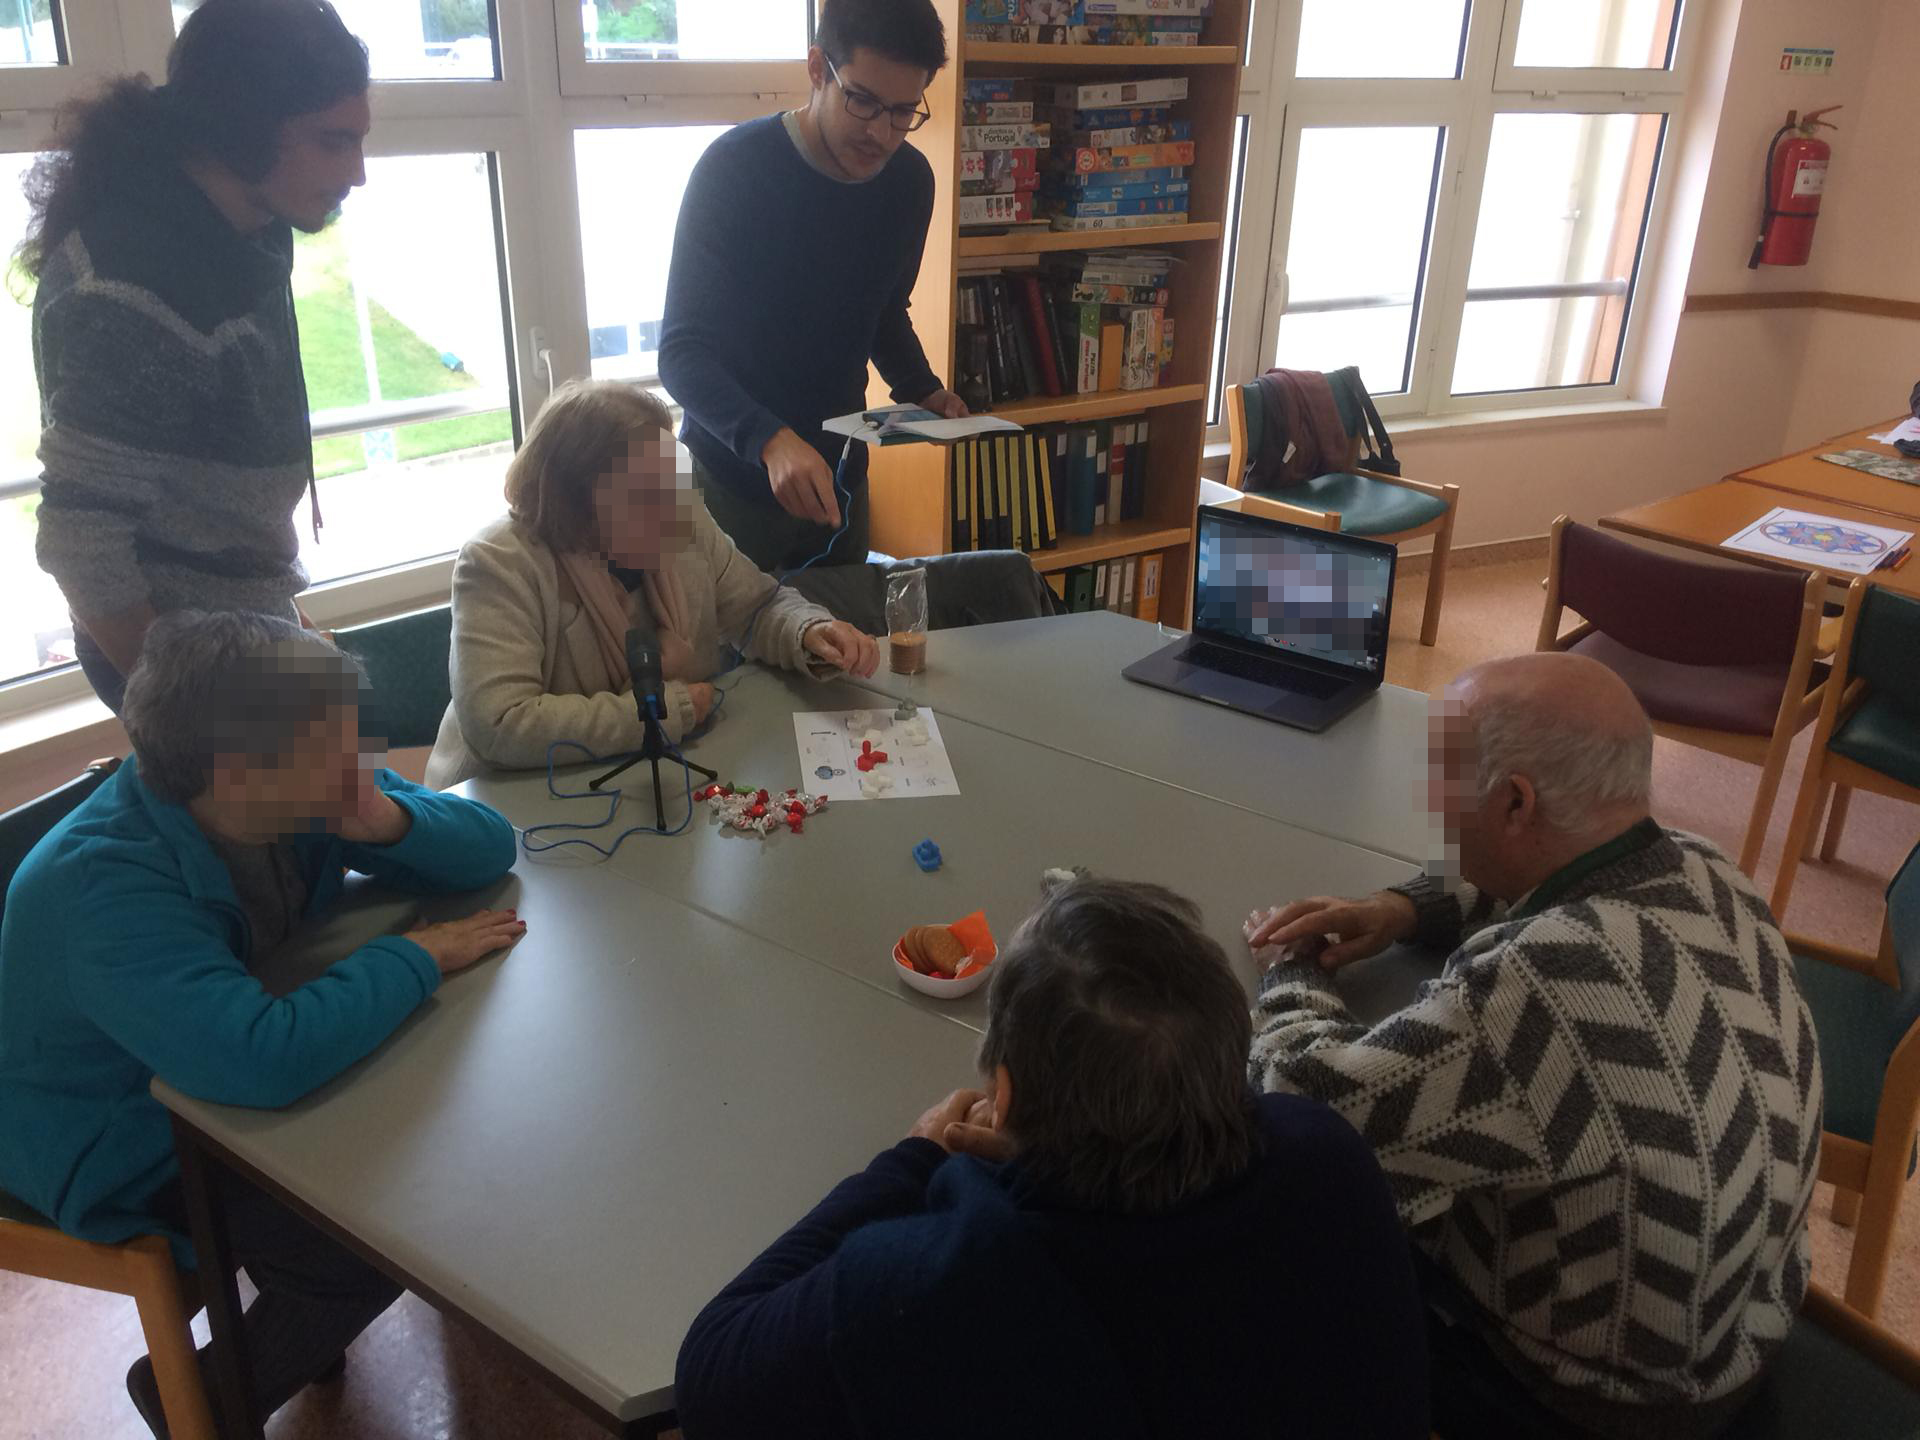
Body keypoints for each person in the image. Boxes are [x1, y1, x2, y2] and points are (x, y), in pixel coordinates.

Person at [1245, 653, 1823, 1440]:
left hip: (1597, 1397)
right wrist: (1400, 908)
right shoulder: (1708, 866)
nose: (1428, 801)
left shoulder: (1535, 981)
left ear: (1515, 803)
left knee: (1280, 1220)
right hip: (1740, 1324)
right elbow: (1522, 879)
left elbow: (1312, 1103)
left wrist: (1292, 972)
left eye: (1444, 779)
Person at [0, 610, 522, 1436]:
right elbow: (261, 1059)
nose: (360, 757)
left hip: (201, 1063)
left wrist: (384, 821)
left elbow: (492, 847)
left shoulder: (293, 792)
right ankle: (195, 1400)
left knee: (429, 1143)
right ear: (236, 771)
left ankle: (286, 1337)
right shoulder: (97, 886)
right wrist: (415, 959)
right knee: (377, 1239)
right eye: (334, 741)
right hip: (108, 1139)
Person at [675, 878, 1429, 1440]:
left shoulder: (942, 1281)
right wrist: (1052, 1152)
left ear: (1000, 1094)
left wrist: (914, 1160)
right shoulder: (1325, 1154)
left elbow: (711, 1376)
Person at [19, 0, 371, 711]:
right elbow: (84, 550)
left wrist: (288, 626)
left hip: (245, 622)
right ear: (240, 130)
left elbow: (216, 516)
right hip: (184, 662)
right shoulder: (126, 288)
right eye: (333, 143)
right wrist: (197, 718)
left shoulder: (248, 229)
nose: (357, 173)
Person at [425, 380, 880, 789]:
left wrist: (808, 633)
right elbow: (501, 723)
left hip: (641, 782)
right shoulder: (499, 562)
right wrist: (667, 712)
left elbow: (757, 608)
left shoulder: (681, 517)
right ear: (575, 501)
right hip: (512, 810)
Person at [657, 0, 965, 573]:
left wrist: (922, 389)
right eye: (864, 102)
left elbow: (882, 310)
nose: (881, 133)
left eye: (902, 112)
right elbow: (680, 353)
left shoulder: (909, 182)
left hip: (840, 480)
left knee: (850, 651)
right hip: (729, 483)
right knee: (731, 658)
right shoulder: (735, 171)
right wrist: (771, 441)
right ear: (818, 68)